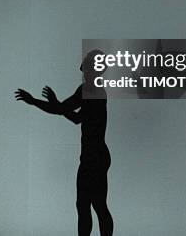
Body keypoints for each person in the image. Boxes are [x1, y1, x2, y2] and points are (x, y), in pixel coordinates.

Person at [14, 50, 113, 236]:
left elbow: (73, 116)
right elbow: (63, 109)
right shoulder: (87, 89)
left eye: (87, 67)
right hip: (92, 156)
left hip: (95, 158)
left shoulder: (94, 92)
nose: (83, 71)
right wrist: (40, 102)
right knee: (85, 205)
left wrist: (45, 103)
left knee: (96, 205)